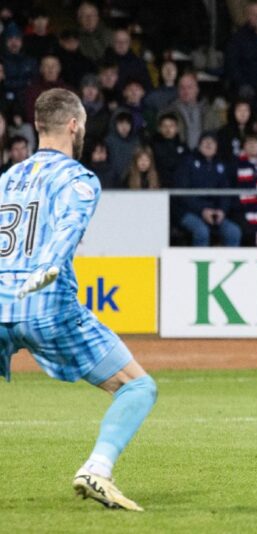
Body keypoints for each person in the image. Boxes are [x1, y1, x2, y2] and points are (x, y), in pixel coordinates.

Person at [0, 88, 157, 510]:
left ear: (37, 127)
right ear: (73, 125)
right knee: (138, 386)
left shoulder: (6, 179)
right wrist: (49, 265)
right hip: (48, 305)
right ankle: (97, 469)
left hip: (0, 303)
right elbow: (69, 226)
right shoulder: (79, 179)